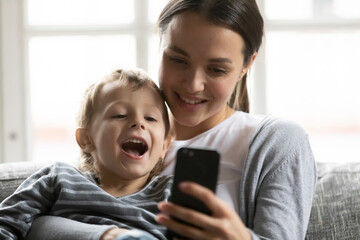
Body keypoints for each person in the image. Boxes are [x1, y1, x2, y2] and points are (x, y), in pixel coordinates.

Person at [25, 0, 317, 239]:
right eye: (178, 60)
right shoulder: (124, 133)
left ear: (246, 65)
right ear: (160, 45)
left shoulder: (276, 142)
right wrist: (111, 236)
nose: (193, 85)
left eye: (216, 70)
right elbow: (42, 218)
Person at [0, 68, 173, 240]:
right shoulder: (60, 179)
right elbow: (6, 223)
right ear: (86, 139)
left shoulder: (169, 193)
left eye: (150, 118)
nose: (138, 122)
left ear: (165, 145)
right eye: (120, 115)